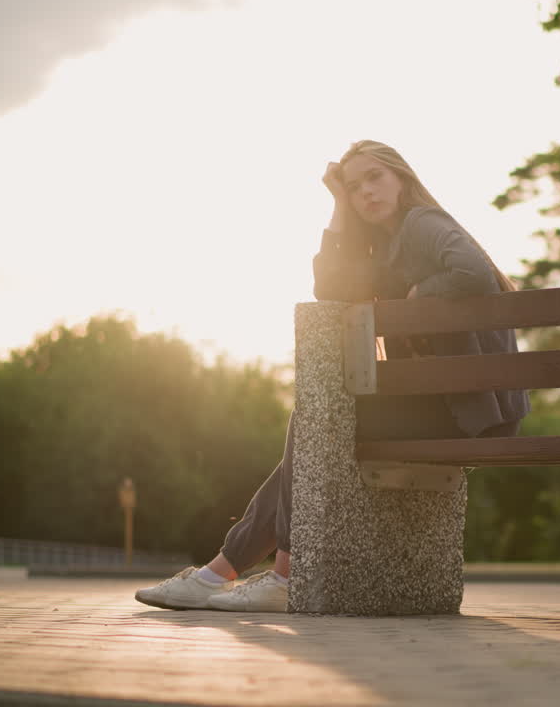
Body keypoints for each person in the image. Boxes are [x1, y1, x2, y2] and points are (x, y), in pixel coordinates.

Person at [136, 140, 529, 612]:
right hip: (442, 406)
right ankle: (222, 573)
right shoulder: (381, 249)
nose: (366, 191)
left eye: (375, 178)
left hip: (474, 410)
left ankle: (268, 574)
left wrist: (419, 293)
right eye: (354, 186)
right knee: (315, 424)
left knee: (315, 418)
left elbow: (473, 274)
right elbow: (330, 289)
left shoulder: (423, 224)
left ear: (401, 178)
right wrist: (338, 204)